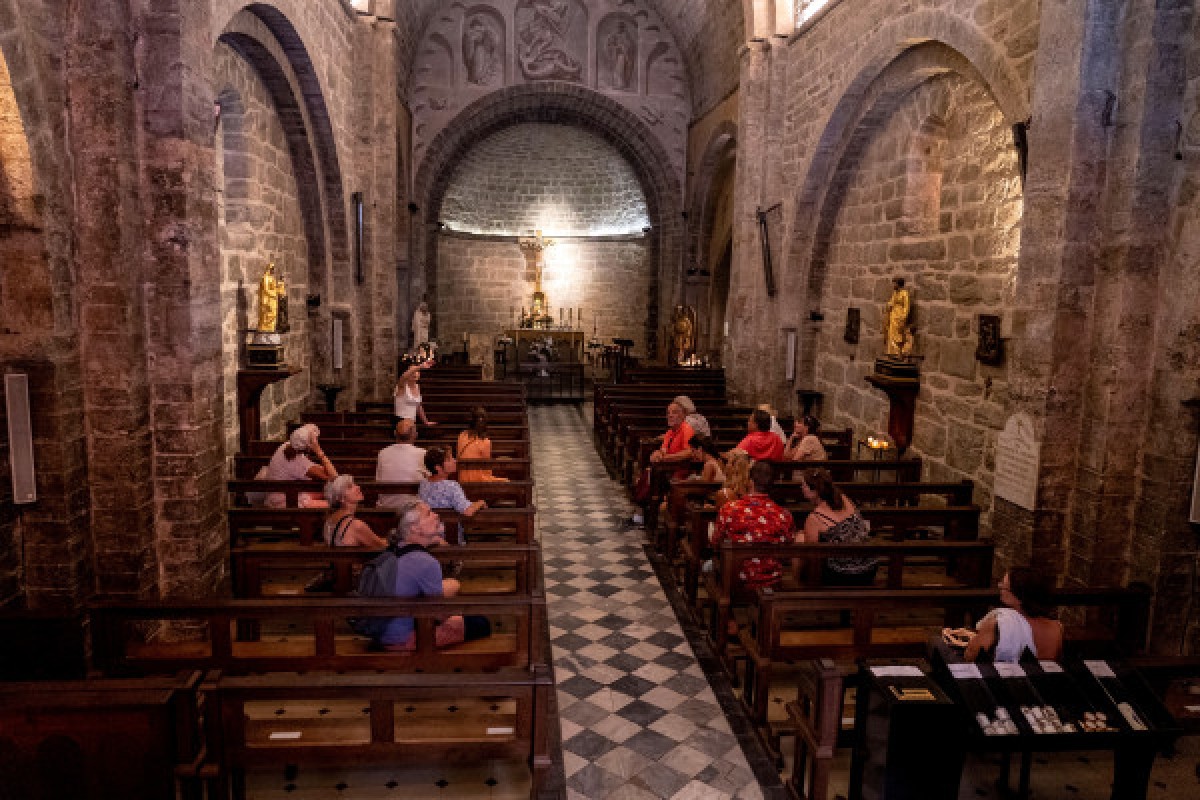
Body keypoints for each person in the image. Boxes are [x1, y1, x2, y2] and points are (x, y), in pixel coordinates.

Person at [375, 497, 489, 651]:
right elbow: (439, 615)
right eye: (429, 514)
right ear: (415, 528)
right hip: (404, 639)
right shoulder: (426, 562)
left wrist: (431, 539)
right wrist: (454, 588)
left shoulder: (395, 549)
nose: (436, 515)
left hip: (381, 633)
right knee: (480, 623)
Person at [711, 460, 794, 600]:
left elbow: (715, 543)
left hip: (737, 580)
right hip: (772, 581)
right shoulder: (784, 514)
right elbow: (787, 552)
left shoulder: (730, 509)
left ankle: (728, 617)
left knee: (709, 566)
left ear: (750, 482)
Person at [960, 568, 1064, 662]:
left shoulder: (999, 624)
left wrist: (974, 640)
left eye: (1004, 587)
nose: (999, 586)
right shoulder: (1057, 627)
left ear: (1019, 597)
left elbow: (971, 655)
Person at [798, 468, 877, 586]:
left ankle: (804, 588)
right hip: (869, 568)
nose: (801, 488)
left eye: (804, 485)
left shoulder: (815, 518)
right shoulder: (843, 498)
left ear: (814, 491)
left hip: (842, 575)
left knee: (800, 538)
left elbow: (812, 555)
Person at [258, 423, 336, 508]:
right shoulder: (298, 462)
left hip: (278, 492)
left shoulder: (286, 445)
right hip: (285, 500)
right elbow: (333, 477)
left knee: (328, 494)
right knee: (333, 505)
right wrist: (318, 451)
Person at [419, 447, 486, 544]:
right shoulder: (451, 486)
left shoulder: (424, 483)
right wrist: (480, 503)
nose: (454, 461)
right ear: (438, 467)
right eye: (449, 459)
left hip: (428, 537)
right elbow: (467, 511)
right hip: (449, 537)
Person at [321, 476, 387, 548]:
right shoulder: (356, 526)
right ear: (341, 498)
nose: (358, 487)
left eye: (354, 484)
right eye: (350, 487)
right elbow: (382, 545)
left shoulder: (329, 520)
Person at [376, 419, 427, 507]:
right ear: (415, 435)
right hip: (413, 506)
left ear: (395, 433)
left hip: (386, 505)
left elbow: (378, 479)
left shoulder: (383, 453)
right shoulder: (422, 453)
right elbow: (430, 481)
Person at [456, 407, 507, 482]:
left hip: (462, 478)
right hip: (477, 479)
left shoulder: (461, 435)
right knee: (505, 481)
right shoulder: (485, 442)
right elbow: (487, 468)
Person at [883, 277, 911, 356]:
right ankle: (891, 353)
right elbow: (891, 302)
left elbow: (906, 306)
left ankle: (897, 353)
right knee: (891, 334)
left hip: (899, 316)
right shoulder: (895, 293)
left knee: (897, 336)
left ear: (898, 284)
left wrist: (903, 317)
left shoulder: (904, 293)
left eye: (895, 283)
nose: (893, 285)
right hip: (893, 316)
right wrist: (888, 305)